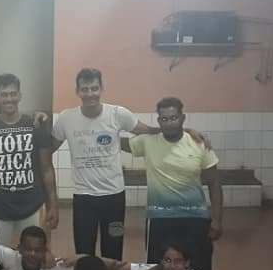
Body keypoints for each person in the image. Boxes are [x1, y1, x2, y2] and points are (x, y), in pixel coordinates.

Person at [51, 68, 206, 260]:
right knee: (83, 252)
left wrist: (186, 130)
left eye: (94, 88)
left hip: (114, 199)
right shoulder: (67, 118)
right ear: (78, 91)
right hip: (83, 199)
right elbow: (48, 148)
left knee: (114, 250)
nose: (90, 94)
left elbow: (150, 131)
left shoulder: (118, 114)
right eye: (85, 89)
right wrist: (38, 121)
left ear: (101, 88)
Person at [127, 97, 222, 270]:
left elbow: (214, 183)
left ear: (182, 118)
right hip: (160, 219)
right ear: (159, 121)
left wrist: (217, 220)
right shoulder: (147, 141)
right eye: (164, 119)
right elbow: (115, 142)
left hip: (195, 218)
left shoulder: (199, 143)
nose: (169, 123)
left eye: (174, 118)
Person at [0, 73, 58, 246]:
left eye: (13, 94)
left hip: (32, 205)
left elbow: (47, 169)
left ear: (19, 95)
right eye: (4, 94)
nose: (9, 99)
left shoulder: (35, 126)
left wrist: (53, 205)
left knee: (34, 255)